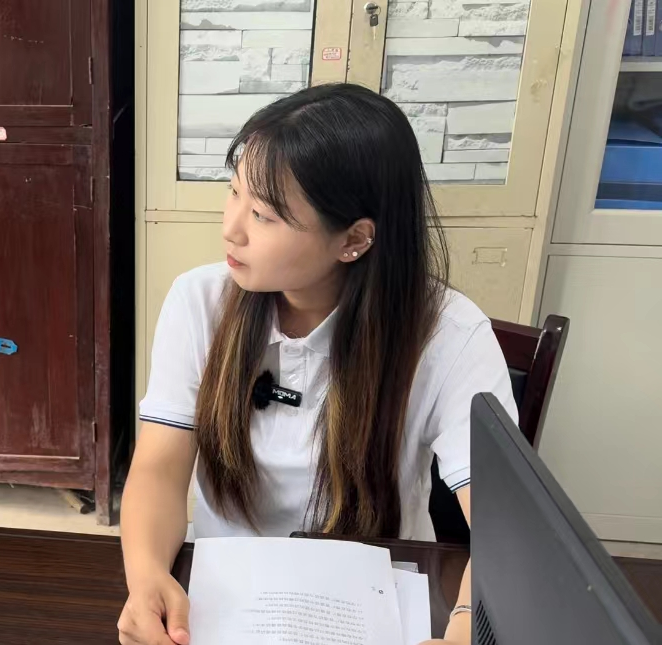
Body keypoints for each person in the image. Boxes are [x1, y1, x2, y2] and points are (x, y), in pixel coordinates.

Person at [116, 83, 514, 645]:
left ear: (354, 239)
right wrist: (147, 576)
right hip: (227, 599)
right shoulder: (199, 301)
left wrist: (465, 625)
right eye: (233, 193)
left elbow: (503, 524)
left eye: (263, 214)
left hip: (376, 598)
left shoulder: (448, 333)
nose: (231, 228)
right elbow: (159, 465)